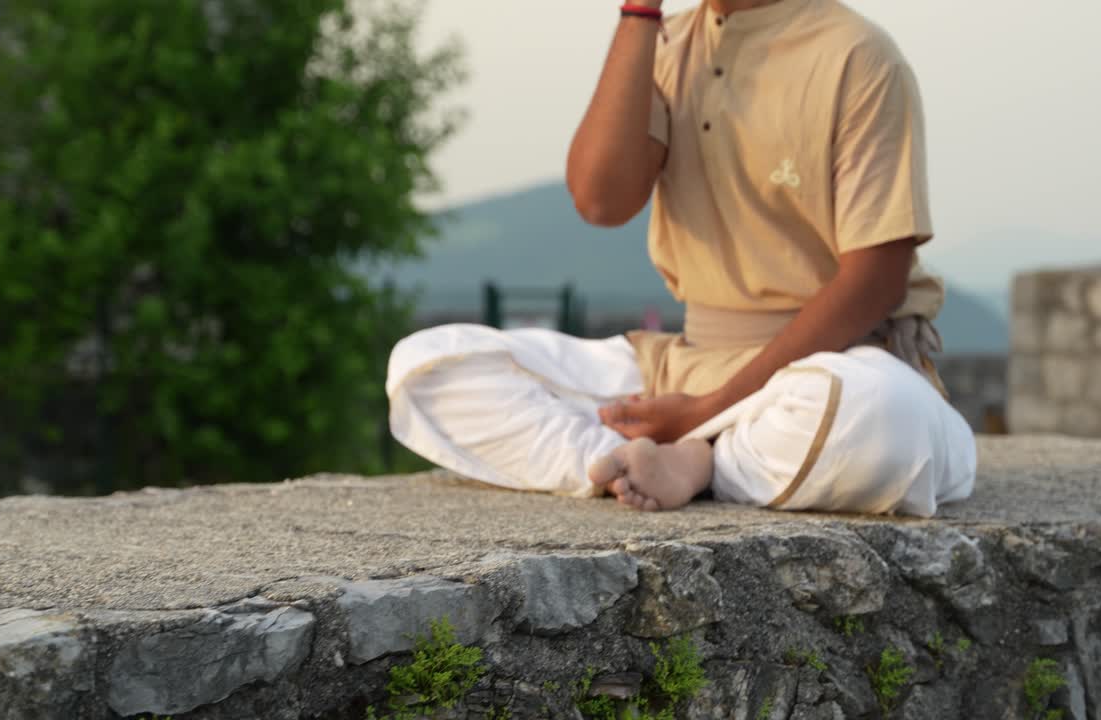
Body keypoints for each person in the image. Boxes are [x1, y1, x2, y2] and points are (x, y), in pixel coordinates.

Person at [385, 0, 976, 517]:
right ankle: (624, 462)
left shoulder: (858, 56)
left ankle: (703, 460)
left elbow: (875, 285)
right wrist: (639, 12)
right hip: (687, 364)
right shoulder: (669, 46)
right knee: (428, 366)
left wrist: (704, 415)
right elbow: (600, 200)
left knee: (884, 419)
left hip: (832, 366)